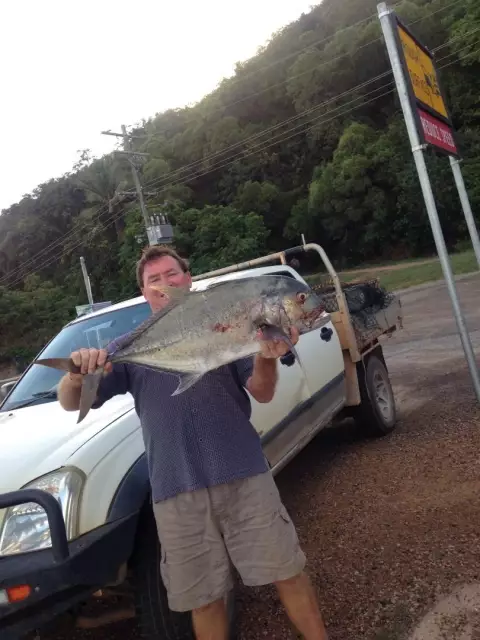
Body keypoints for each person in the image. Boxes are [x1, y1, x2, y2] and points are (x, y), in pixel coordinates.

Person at [58, 245, 328, 640]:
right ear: (143, 291)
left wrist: (266, 356)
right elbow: (69, 401)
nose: (164, 283)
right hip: (175, 492)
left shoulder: (228, 321)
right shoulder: (129, 347)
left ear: (189, 279)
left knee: (287, 571)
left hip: (244, 476)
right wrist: (77, 374)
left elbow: (263, 392)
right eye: (154, 279)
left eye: (172, 274)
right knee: (204, 598)